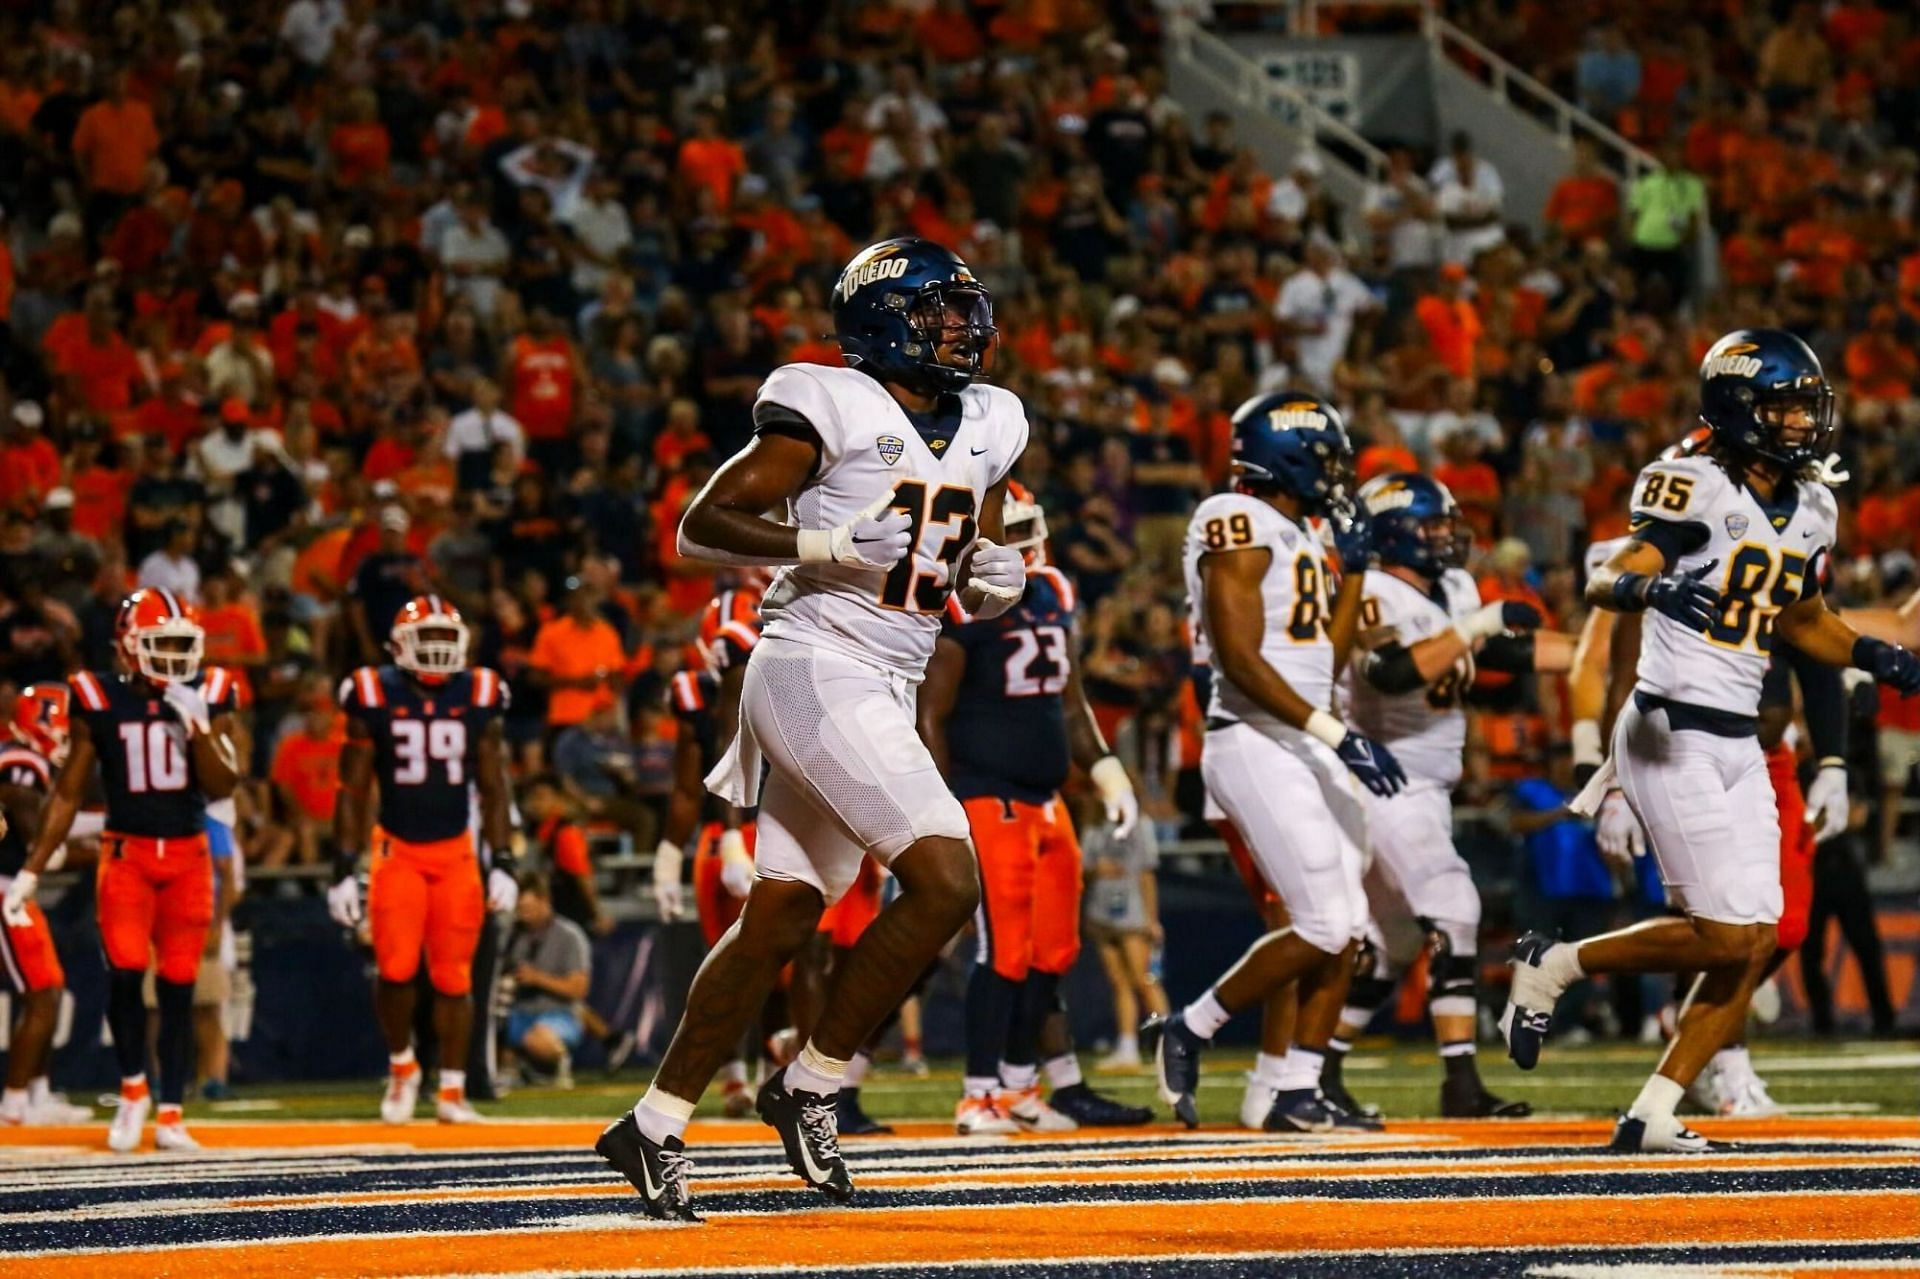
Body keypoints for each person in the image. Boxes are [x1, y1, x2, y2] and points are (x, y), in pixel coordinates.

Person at [597, 237, 1027, 1221]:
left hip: (885, 670)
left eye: (964, 308)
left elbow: (965, 553)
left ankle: (653, 1123)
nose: (960, 326)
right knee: (947, 878)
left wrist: (992, 577)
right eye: (935, 310)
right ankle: (813, 1079)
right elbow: (699, 527)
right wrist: (822, 539)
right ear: (880, 320)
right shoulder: (829, 399)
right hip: (812, 661)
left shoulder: (992, 421)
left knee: (782, 917)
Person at [1508, 330, 1920, 1152]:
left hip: (1741, 740)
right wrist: (1651, 584)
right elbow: (1607, 574)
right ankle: (1552, 963)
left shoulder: (1813, 504)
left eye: (1808, 406)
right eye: (1785, 406)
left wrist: (1870, 651)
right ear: (1739, 407)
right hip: (1670, 726)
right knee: (1727, 933)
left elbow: (1801, 619)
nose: (1803, 423)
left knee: (1757, 939)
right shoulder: (1690, 482)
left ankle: (1654, 1109)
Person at [1143, 391, 1404, 1134]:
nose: (1336, 474)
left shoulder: (1296, 530)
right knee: (1321, 921)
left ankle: (1295, 1088)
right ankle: (1189, 1026)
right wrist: (1337, 732)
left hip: (1304, 735)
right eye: (1324, 458)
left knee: (1349, 924)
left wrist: (1352, 571)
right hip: (1255, 736)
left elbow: (1328, 650)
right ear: (1285, 458)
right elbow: (1238, 657)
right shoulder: (1237, 518)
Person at [1328, 473, 1573, 1120]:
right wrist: (1475, 628)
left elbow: (1512, 654)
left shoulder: (1456, 589)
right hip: (1380, 774)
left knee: (1396, 939)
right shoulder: (1371, 591)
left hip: (1427, 784)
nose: (1447, 536)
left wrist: (1596, 652)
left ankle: (1316, 1070)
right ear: (1392, 532)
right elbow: (1389, 670)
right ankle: (1459, 1081)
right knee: (1455, 903)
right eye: (1432, 525)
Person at [918, 482, 1152, 1134]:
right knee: (1003, 951)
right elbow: (930, 715)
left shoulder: (1054, 595)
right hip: (989, 796)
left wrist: (1107, 771)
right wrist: (940, 806)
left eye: (1026, 529)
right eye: (1010, 531)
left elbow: (1069, 702)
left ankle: (1022, 1087)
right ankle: (979, 1093)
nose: (1022, 544)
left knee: (1054, 951)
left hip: (1048, 801)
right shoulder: (960, 610)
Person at [5, 590, 242, 1152]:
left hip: (187, 856)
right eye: (162, 646)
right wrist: (32, 869)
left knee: (180, 988)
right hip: (127, 855)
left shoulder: (209, 693)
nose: (176, 658)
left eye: (183, 646)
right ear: (129, 649)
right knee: (126, 975)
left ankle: (173, 1112)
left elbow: (224, 784)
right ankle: (133, 1092)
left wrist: (199, 727)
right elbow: (66, 793)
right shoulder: (98, 697)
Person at [327, 595, 519, 1126]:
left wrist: (502, 859)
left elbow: (494, 784)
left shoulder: (479, 692)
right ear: (398, 646)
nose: (436, 651)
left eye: (444, 639)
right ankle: (402, 1065)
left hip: (457, 851)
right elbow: (353, 788)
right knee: (395, 969)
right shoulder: (373, 692)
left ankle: (452, 1091)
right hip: (398, 849)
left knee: (455, 977)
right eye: (425, 639)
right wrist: (343, 866)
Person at [652, 582, 764, 1117]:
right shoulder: (696, 693)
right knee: (726, 958)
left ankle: (777, 1063)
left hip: (774, 826)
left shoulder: (794, 676)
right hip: (730, 834)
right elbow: (686, 783)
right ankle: (736, 1076)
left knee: (783, 956)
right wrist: (669, 855)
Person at [0, 685, 93, 1126]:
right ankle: (16, 1101)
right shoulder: (21, 764)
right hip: (6, 891)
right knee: (40, 995)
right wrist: (96, 849)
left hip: (15, 889)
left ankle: (36, 1093)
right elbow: (39, 843)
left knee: (47, 991)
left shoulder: (25, 762)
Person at [505, 871, 592, 1088]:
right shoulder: (513, 935)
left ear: (544, 900)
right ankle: (514, 1068)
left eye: (527, 908)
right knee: (487, 1028)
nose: (522, 915)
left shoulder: (569, 936)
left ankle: (559, 1062)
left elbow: (579, 988)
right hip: (519, 1012)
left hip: (559, 1015)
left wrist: (538, 979)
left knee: (538, 1039)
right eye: (519, 909)